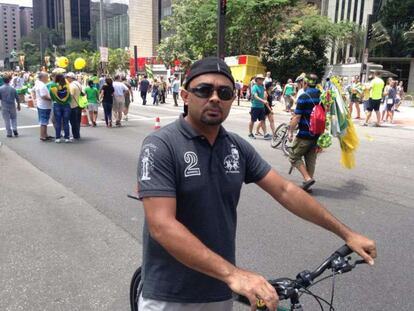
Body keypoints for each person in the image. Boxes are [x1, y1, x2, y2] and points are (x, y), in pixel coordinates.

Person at [136, 57, 377, 311]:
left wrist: (347, 234)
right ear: (185, 95)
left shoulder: (236, 147)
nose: (215, 98)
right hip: (170, 296)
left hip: (219, 292)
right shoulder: (160, 145)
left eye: (225, 92)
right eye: (204, 90)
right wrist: (234, 275)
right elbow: (161, 226)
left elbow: (285, 191)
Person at [288, 74, 321, 192]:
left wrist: (290, 132)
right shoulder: (322, 96)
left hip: (305, 134)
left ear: (305, 83)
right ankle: (308, 183)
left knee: (293, 155)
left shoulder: (304, 96)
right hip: (317, 133)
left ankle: (307, 179)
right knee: (310, 158)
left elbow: (297, 117)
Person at [248, 74, 272, 140]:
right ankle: (250, 133)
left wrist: (266, 101)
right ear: (257, 79)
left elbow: (263, 96)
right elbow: (255, 96)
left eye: (262, 79)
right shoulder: (254, 87)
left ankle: (265, 134)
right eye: (260, 79)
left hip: (261, 107)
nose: (262, 80)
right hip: (255, 107)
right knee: (252, 120)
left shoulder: (262, 87)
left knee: (263, 121)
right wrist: (263, 101)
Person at [49, 74, 71, 143]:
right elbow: (70, 96)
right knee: (66, 122)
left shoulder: (53, 86)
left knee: (58, 122)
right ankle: (67, 138)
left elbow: (51, 96)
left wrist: (56, 99)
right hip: (66, 105)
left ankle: (58, 138)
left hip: (57, 105)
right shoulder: (67, 86)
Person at [33, 72, 53, 140]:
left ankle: (45, 134)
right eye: (46, 76)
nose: (47, 78)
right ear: (43, 77)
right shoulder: (41, 85)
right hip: (44, 105)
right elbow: (43, 96)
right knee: (43, 121)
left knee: (44, 121)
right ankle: (42, 136)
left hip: (42, 105)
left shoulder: (38, 83)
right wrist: (52, 99)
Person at [66, 72, 83, 138]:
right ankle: (77, 134)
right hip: (79, 105)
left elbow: (71, 95)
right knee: (77, 121)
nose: (66, 79)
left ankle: (76, 135)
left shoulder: (71, 85)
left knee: (73, 122)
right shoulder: (78, 84)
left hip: (73, 105)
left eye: (67, 77)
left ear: (70, 78)